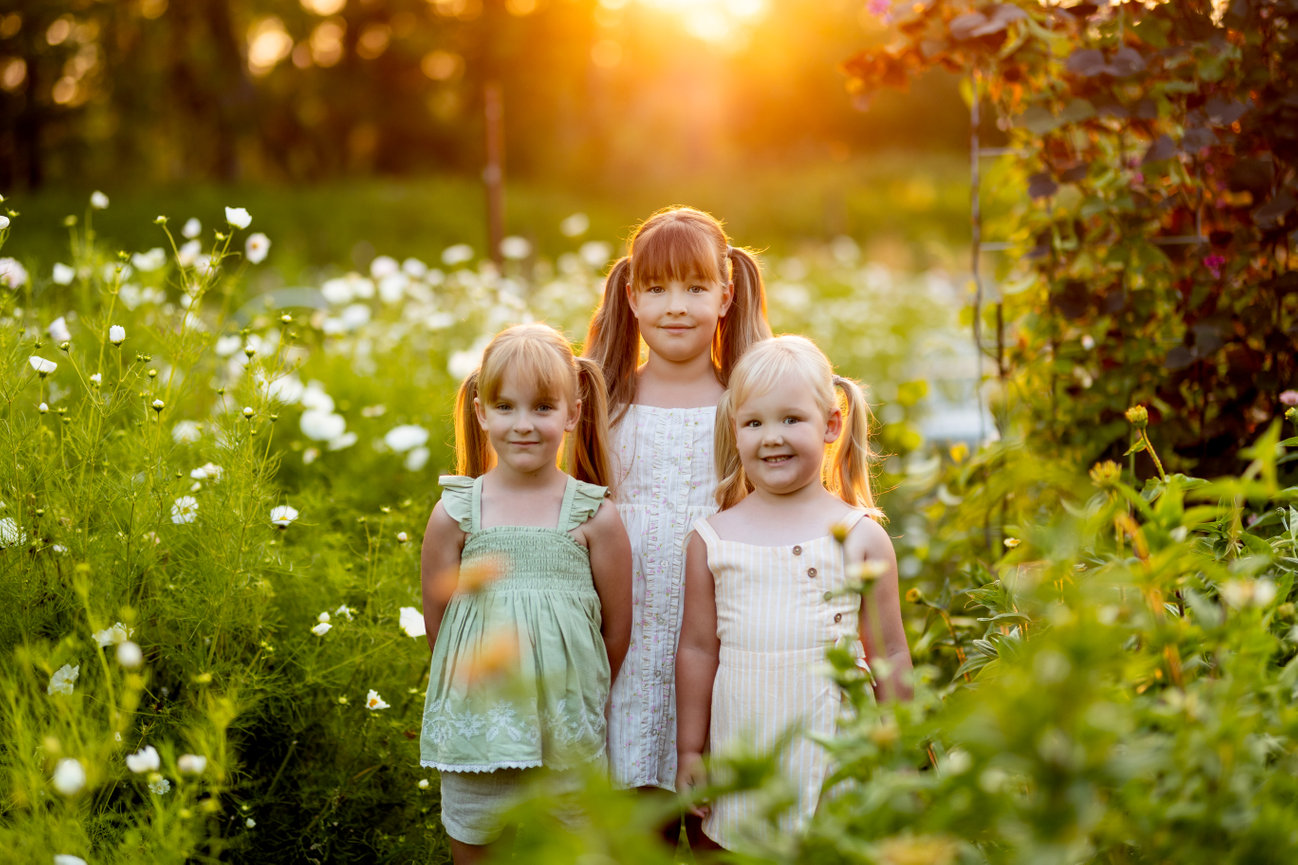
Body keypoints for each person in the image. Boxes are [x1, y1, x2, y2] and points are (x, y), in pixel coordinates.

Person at [675, 335, 913, 851]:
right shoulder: (712, 539)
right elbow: (697, 649)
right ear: (734, 431)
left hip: (835, 749)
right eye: (754, 423)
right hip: (745, 750)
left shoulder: (860, 536)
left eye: (791, 420)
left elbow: (889, 650)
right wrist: (689, 750)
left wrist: (902, 749)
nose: (771, 438)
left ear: (830, 425)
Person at [419, 323, 633, 864]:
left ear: (573, 412)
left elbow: (616, 629)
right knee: (477, 848)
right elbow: (439, 624)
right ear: (481, 411)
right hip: (478, 730)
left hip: (565, 733)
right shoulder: (456, 513)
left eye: (542, 407)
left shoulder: (594, 516)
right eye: (506, 407)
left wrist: (572, 691)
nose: (523, 425)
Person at [583, 206, 773, 803]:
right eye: (658, 288)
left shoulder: (746, 406)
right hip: (628, 632)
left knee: (722, 803)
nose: (676, 306)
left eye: (695, 288)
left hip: (719, 631)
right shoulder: (604, 403)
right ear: (632, 297)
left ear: (725, 295)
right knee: (637, 812)